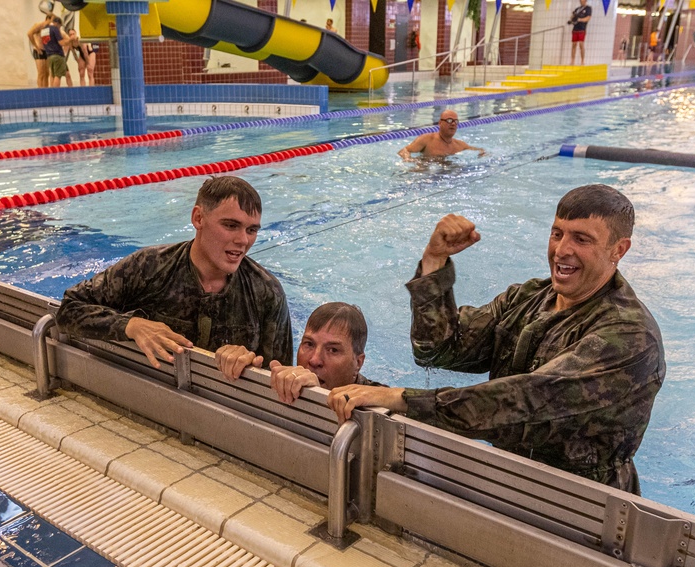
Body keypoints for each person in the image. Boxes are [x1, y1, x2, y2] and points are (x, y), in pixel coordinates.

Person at [327, 185, 666, 494]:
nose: (562, 250)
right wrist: (434, 262)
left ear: (618, 250)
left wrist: (402, 398)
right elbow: (438, 349)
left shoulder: (630, 334)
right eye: (557, 233)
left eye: (581, 239)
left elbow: (527, 401)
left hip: (585, 503)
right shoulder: (528, 298)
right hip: (507, 477)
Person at [57, 176, 293, 378]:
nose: (243, 240)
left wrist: (251, 365)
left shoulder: (266, 292)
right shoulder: (149, 267)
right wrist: (131, 325)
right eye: (231, 226)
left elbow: (280, 377)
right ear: (198, 218)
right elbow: (69, 309)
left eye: (251, 230)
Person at [268, 302, 384, 404]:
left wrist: (318, 398)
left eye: (333, 350)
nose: (314, 360)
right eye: (309, 344)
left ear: (358, 363)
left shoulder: (381, 408)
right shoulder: (285, 381)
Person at [398, 110, 486, 161]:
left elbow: (480, 150)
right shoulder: (427, 139)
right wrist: (409, 159)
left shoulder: (459, 145)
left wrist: (483, 153)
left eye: (455, 121)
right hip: (426, 173)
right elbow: (403, 151)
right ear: (440, 123)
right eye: (449, 120)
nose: (453, 124)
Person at [43, 16, 70, 88]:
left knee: (52, 75)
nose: (59, 28)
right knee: (58, 76)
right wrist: (70, 40)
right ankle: (55, 93)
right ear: (57, 23)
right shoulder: (55, 29)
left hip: (49, 55)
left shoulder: (44, 30)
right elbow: (61, 43)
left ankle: (52, 92)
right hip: (57, 55)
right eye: (60, 26)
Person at [27, 15, 52, 88]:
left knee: (47, 73)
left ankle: (46, 91)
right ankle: (40, 91)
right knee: (41, 73)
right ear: (47, 19)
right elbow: (29, 34)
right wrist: (37, 47)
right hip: (38, 51)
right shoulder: (38, 25)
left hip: (46, 51)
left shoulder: (49, 29)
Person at [568, 0, 592, 66]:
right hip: (575, 28)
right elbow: (572, 17)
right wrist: (571, 20)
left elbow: (588, 18)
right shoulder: (577, 9)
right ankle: (572, 61)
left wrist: (579, 19)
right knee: (574, 45)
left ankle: (582, 61)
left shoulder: (588, 8)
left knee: (581, 44)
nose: (581, 1)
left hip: (582, 29)